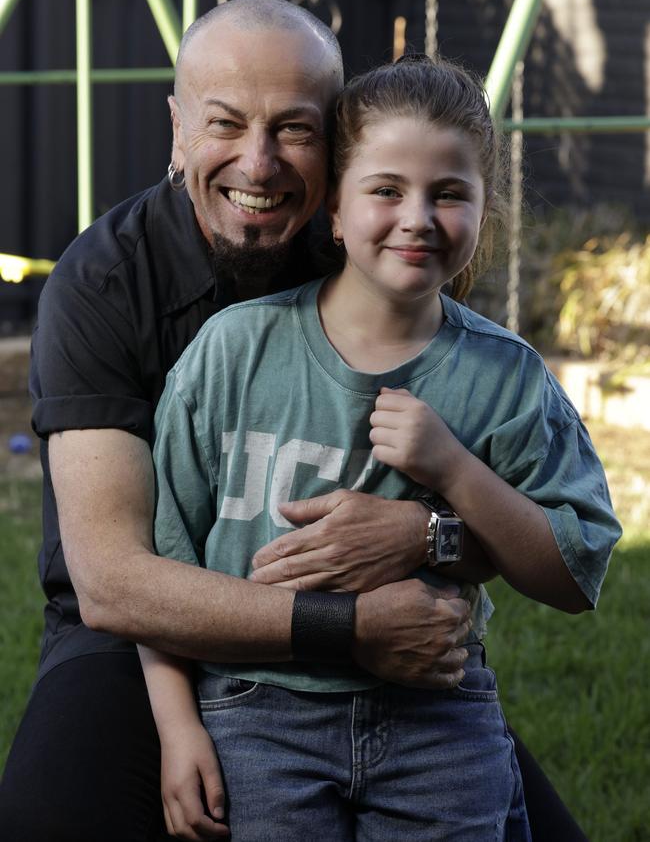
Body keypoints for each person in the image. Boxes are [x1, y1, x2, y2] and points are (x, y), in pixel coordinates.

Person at [0, 0, 598, 842]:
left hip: (388, 656)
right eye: (225, 123)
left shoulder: (376, 239)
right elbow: (113, 579)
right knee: (49, 813)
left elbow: (512, 500)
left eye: (295, 130)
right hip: (144, 631)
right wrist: (349, 631)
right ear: (176, 127)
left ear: (339, 143)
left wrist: (428, 535)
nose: (260, 161)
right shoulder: (105, 282)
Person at [141, 54, 621, 841]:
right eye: (387, 189)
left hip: (437, 715)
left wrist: (454, 469)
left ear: (485, 208)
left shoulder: (505, 376)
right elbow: (165, 561)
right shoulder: (235, 352)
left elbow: (574, 570)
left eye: (450, 193)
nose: (418, 217)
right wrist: (176, 724)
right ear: (333, 208)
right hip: (259, 712)